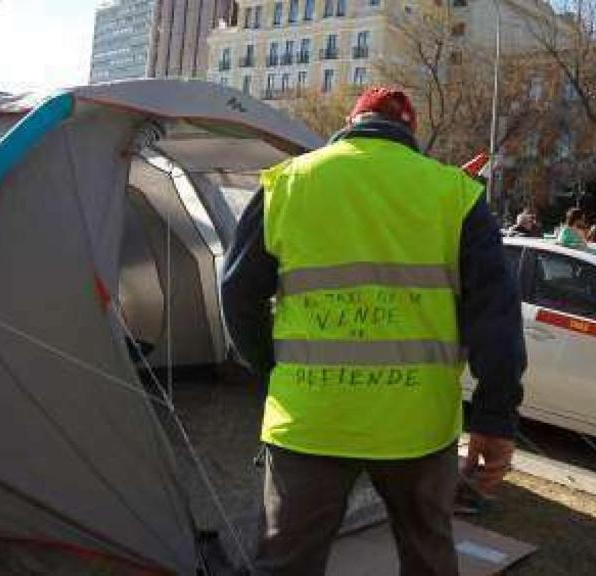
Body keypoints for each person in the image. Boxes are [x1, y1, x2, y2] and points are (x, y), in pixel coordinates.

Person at [221, 86, 526, 576]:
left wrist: (274, 369)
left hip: (310, 419)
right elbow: (496, 317)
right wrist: (495, 419)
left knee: (285, 564)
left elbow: (237, 295)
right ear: (410, 131)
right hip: (417, 428)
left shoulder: (289, 183)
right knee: (428, 557)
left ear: (350, 121)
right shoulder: (455, 194)